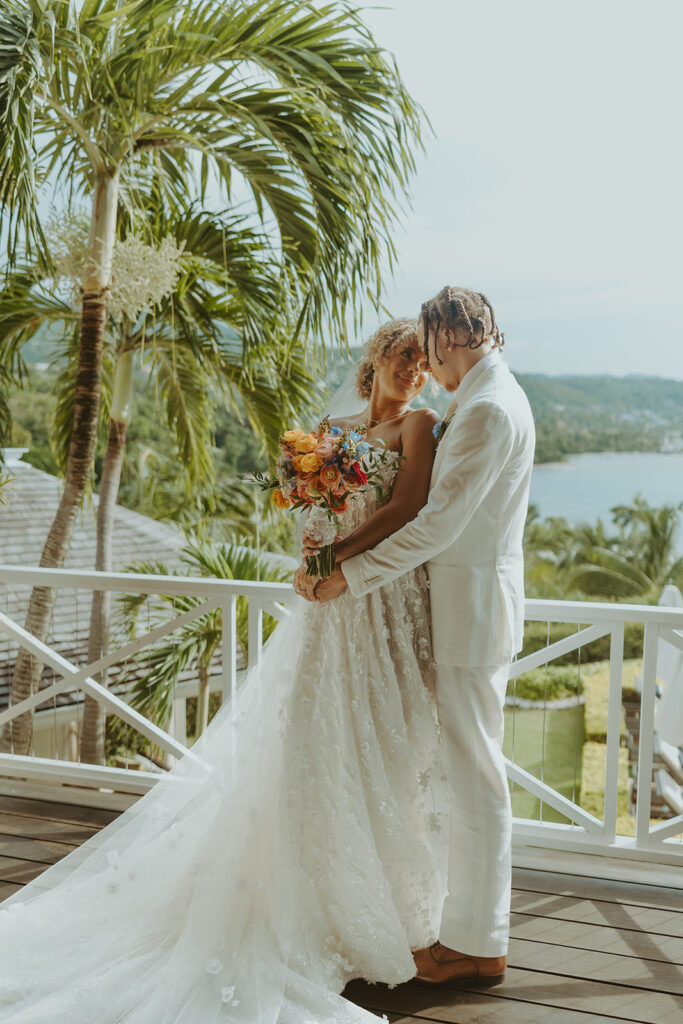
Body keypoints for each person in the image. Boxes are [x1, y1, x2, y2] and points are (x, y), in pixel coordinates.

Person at [0, 319, 449, 1024]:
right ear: (377, 359)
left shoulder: (420, 424)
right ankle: (308, 894)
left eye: (423, 362)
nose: (414, 369)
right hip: (328, 603)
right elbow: (310, 506)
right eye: (402, 356)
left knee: (383, 739)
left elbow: (406, 505)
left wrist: (335, 560)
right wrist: (313, 547)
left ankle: (379, 902)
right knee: (313, 737)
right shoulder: (329, 426)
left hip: (378, 596)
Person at [310, 287, 536, 986]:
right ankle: (468, 933)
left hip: (470, 611)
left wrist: (353, 574)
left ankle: (474, 943)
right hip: (468, 606)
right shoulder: (490, 396)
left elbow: (438, 523)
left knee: (475, 779)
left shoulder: (488, 408)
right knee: (471, 773)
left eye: (428, 351)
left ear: (447, 338)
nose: (426, 370)